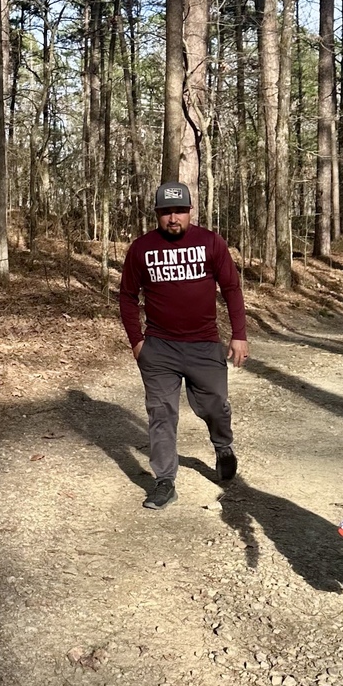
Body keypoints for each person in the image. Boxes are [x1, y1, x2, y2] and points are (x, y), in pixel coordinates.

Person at [119, 181, 249, 510]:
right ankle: (164, 481)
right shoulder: (142, 249)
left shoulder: (210, 242)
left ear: (191, 211)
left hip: (204, 345)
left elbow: (231, 288)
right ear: (157, 214)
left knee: (215, 406)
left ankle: (223, 447)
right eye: (165, 212)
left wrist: (239, 334)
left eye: (179, 211)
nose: (173, 218)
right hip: (160, 347)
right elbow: (127, 297)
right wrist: (137, 342)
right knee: (161, 413)